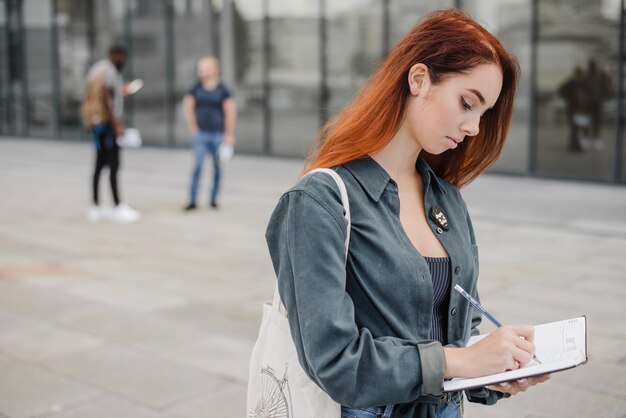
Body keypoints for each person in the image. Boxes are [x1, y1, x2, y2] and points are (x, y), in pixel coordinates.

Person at [265, 9, 549, 418]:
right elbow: (335, 361)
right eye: (468, 103)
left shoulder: (446, 198)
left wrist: (494, 366)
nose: (473, 127)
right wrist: (462, 362)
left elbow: (460, 328)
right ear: (419, 80)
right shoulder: (318, 201)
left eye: (483, 115)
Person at [81, 44, 141, 223]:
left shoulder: (98, 69)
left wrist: (121, 91)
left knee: (100, 164)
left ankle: (96, 206)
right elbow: (106, 97)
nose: (123, 61)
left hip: (97, 123)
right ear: (116, 55)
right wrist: (117, 124)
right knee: (113, 164)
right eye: (121, 57)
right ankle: (117, 206)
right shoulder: (108, 70)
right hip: (106, 126)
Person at [183, 56, 237, 210]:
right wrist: (194, 128)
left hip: (218, 135)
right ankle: (192, 200)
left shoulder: (223, 90)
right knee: (197, 166)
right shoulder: (195, 88)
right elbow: (188, 107)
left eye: (205, 67)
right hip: (202, 134)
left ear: (214, 70)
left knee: (217, 168)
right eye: (201, 68)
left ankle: (213, 199)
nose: (202, 71)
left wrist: (229, 134)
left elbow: (230, 112)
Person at [558, 67, 589, 153]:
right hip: (574, 108)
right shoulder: (573, 83)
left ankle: (575, 145)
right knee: (575, 128)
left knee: (577, 128)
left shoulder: (581, 83)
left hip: (578, 108)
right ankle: (574, 145)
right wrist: (570, 98)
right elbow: (562, 91)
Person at [583, 59, 612, 148]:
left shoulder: (600, 76)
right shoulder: (585, 76)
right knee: (587, 121)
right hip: (587, 102)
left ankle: (596, 138)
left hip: (597, 102)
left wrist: (605, 97)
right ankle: (586, 138)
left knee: (597, 121)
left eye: (593, 65)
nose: (592, 67)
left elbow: (606, 87)